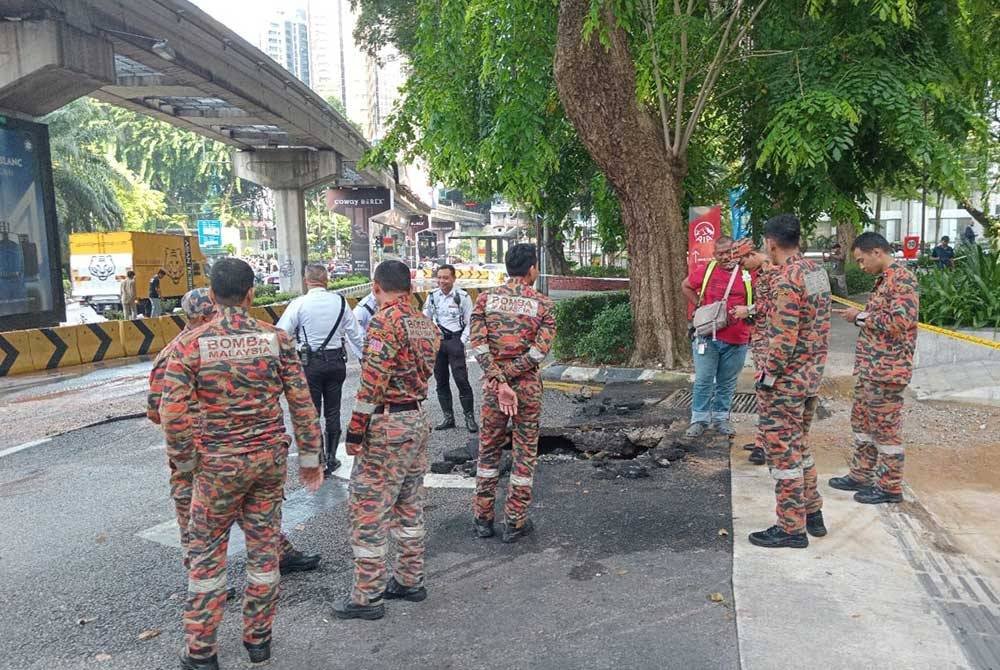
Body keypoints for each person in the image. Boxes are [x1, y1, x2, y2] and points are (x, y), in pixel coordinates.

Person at [159, 259, 323, 669]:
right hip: (268, 463)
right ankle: (258, 640)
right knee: (265, 551)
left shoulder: (192, 344)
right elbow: (302, 403)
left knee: (207, 556)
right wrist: (309, 459)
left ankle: (201, 652)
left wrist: (186, 462)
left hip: (216, 467)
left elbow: (172, 413)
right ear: (251, 294)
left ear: (211, 297)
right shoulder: (277, 339)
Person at [147, 288, 323, 579]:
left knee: (248, 505)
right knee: (194, 522)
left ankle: (281, 554)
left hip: (226, 451)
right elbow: (158, 410)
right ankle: (205, 580)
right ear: (205, 314)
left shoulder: (211, 343)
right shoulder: (178, 353)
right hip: (196, 452)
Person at [335, 260, 439, 621]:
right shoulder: (425, 323)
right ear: (409, 287)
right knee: (409, 505)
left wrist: (355, 429)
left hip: (388, 423)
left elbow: (373, 381)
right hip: (417, 419)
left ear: (376, 287)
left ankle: (367, 597)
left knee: (368, 510)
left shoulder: (384, 321)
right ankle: (409, 580)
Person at [748, 214, 831, 550]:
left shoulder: (787, 278)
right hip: (811, 378)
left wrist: (767, 376)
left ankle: (790, 528)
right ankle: (812, 514)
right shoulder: (815, 272)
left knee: (783, 457)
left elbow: (784, 337)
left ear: (770, 243)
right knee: (801, 448)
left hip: (785, 383)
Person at [471, 243, 557, 543]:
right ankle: (515, 523)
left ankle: (482, 519)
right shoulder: (543, 305)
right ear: (532, 268)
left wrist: (498, 378)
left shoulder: (484, 300)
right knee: (524, 453)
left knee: (488, 450)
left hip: (494, 388)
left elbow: (478, 346)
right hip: (527, 389)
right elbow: (538, 353)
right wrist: (510, 375)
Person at [830, 232, 919, 505]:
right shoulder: (884, 281)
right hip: (871, 368)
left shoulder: (901, 279)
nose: (861, 266)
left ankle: (890, 486)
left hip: (888, 370)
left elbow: (900, 321)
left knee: (885, 430)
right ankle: (861, 473)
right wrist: (862, 317)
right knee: (862, 424)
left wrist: (859, 317)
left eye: (861, 260)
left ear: (877, 252)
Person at [277, 264, 365, 478]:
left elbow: (281, 333)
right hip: (336, 363)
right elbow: (356, 335)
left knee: (313, 413)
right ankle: (333, 456)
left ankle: (318, 461)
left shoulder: (299, 304)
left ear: (307, 281)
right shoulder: (341, 302)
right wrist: (365, 359)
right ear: (327, 280)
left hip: (310, 365)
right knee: (333, 411)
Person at [680, 236, 754, 438]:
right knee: (703, 379)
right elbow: (685, 286)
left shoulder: (747, 273)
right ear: (714, 255)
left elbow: (760, 301)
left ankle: (721, 418)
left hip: (738, 337)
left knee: (727, 381)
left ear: (735, 251)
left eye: (729, 252)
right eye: (720, 253)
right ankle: (699, 420)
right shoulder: (708, 270)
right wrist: (700, 306)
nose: (725, 257)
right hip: (706, 337)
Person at [423, 264, 478, 433]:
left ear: (453, 278)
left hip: (455, 341)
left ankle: (469, 417)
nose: (442, 281)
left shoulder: (462, 297)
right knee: (441, 381)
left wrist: (461, 340)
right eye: (439, 277)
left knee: (461, 380)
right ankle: (448, 418)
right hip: (438, 343)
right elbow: (426, 319)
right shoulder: (432, 297)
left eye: (445, 277)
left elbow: (471, 321)